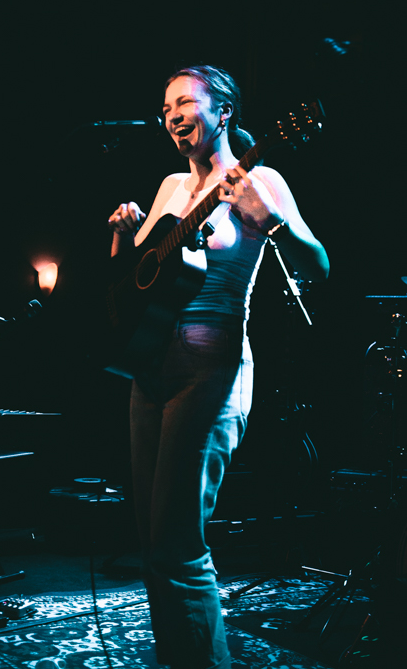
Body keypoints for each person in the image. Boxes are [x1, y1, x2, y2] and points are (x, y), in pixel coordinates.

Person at [107, 65, 329, 669]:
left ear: (223, 111)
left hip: (212, 367)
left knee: (178, 543)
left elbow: (321, 266)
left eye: (185, 102)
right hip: (150, 364)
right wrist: (125, 237)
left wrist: (271, 223)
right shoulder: (171, 186)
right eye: (166, 108)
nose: (173, 115)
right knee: (155, 544)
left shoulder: (259, 176)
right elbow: (142, 280)